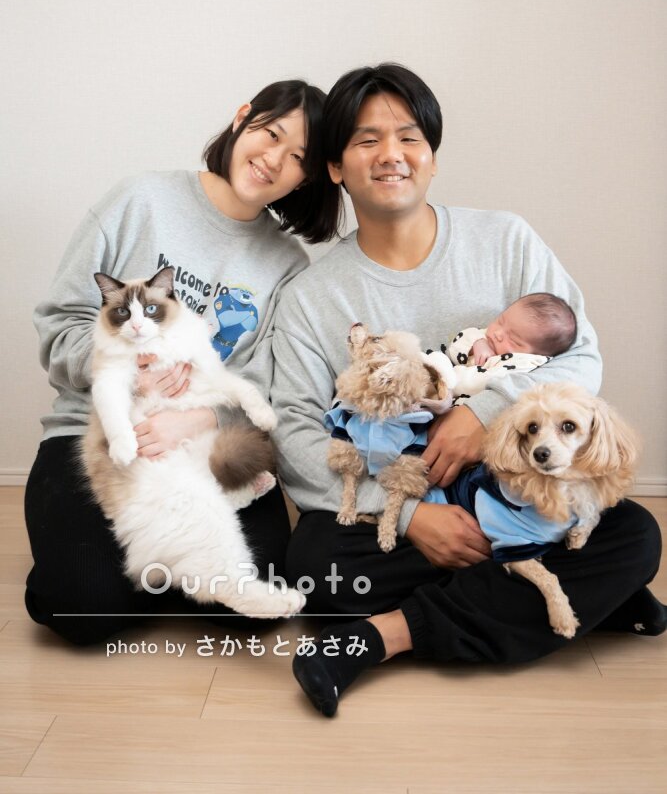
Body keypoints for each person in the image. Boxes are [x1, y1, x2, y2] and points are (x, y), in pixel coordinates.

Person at [270, 63, 665, 717]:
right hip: (403, 508)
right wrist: (410, 516)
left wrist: (485, 414)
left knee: (634, 535)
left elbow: (581, 356)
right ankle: (570, 597)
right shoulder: (311, 297)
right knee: (315, 564)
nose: (391, 154)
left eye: (408, 137)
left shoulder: (505, 239)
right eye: (367, 140)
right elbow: (295, 435)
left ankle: (381, 637)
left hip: (519, 493)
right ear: (336, 166)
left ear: (431, 155)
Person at [26, 78, 339, 645]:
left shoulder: (288, 264)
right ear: (242, 118)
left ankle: (166, 564)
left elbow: (270, 383)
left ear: (307, 178)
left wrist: (199, 419)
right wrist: (126, 372)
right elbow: (59, 323)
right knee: (83, 609)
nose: (274, 160)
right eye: (271, 134)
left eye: (298, 158)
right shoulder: (139, 200)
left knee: (254, 600)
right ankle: (158, 566)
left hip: (206, 445)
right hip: (101, 437)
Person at [425, 292, 577, 400]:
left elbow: (478, 383)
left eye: (513, 339)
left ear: (535, 355)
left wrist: (446, 377)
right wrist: (477, 342)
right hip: (441, 384)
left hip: (456, 402)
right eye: (501, 321)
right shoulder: (487, 337)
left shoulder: (520, 364)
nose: (498, 333)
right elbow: (453, 349)